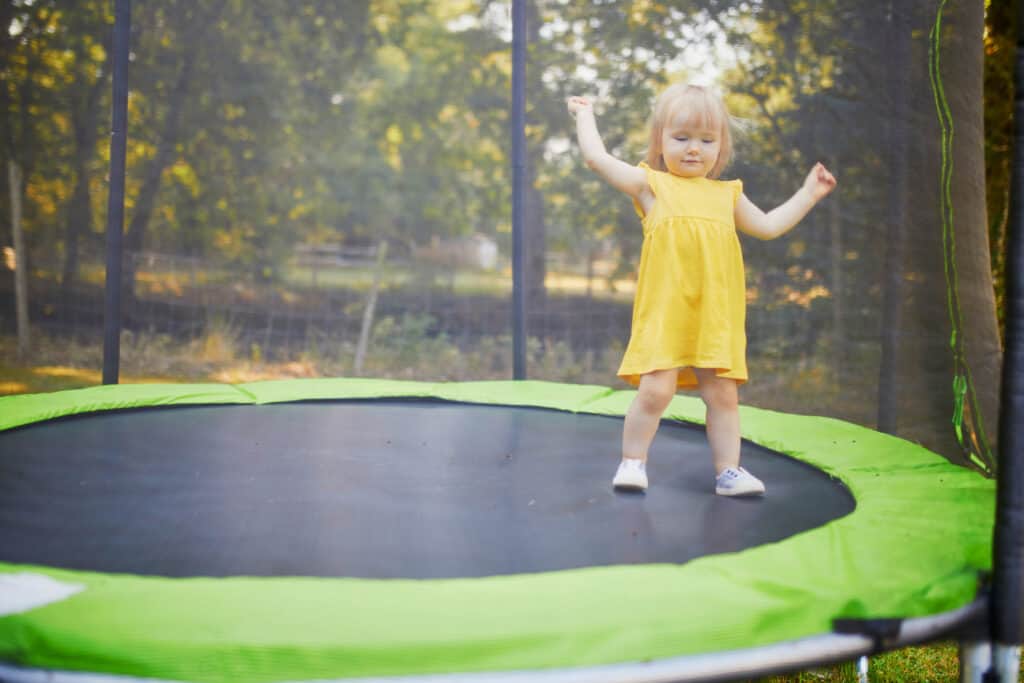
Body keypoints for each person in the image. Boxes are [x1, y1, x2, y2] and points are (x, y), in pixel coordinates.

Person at [567, 83, 836, 496]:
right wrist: (585, 115)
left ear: (721, 147)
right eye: (682, 138)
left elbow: (767, 226)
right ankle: (632, 462)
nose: (694, 149)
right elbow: (596, 158)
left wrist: (808, 194)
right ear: (661, 141)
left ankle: (729, 472)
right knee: (656, 391)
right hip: (667, 312)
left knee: (723, 396)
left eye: (707, 141)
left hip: (715, 316)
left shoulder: (727, 195)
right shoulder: (650, 185)